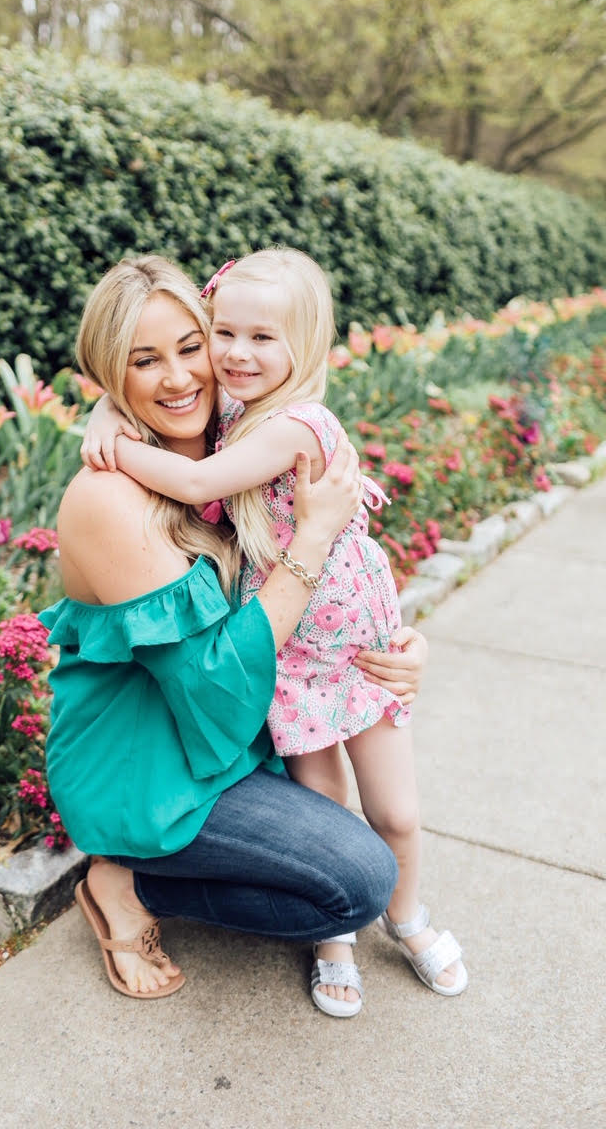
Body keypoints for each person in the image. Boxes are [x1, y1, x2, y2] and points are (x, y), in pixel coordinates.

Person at [81, 248, 466, 1014]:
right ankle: (335, 944)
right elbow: (167, 415)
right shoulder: (228, 416)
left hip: (352, 651)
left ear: (306, 347)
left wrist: (112, 438)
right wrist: (104, 408)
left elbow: (195, 484)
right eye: (222, 334)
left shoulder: (296, 426)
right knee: (328, 810)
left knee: (394, 813)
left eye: (259, 339)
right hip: (288, 662)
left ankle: (410, 918)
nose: (225, 357)